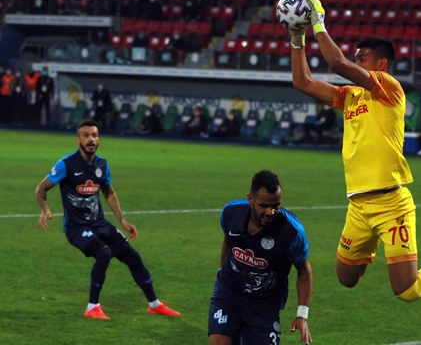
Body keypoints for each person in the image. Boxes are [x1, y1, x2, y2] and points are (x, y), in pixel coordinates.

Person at [290, 0, 421, 308]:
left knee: (406, 290)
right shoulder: (349, 96)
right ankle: (371, 249)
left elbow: (335, 63)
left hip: (391, 202)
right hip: (358, 203)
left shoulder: (389, 88)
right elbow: (302, 81)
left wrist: (317, 21)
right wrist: (296, 37)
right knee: (346, 278)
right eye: (357, 58)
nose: (356, 62)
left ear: (380, 65)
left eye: (362, 57)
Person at [35, 119, 181, 320]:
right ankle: (92, 307)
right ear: (78, 140)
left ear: (98, 139)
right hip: (76, 228)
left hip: (100, 224)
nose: (91, 139)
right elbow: (41, 188)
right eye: (86, 135)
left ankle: (154, 304)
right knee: (104, 253)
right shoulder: (66, 165)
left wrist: (123, 221)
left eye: (94, 135)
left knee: (133, 257)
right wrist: (44, 209)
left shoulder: (102, 165)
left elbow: (109, 193)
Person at [208, 170, 312, 345]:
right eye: (264, 206)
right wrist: (223, 277)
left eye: (276, 206)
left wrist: (302, 315)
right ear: (250, 199)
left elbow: (304, 270)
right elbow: (228, 241)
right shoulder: (231, 213)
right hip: (229, 294)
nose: (271, 212)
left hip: (264, 305)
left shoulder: (292, 232)